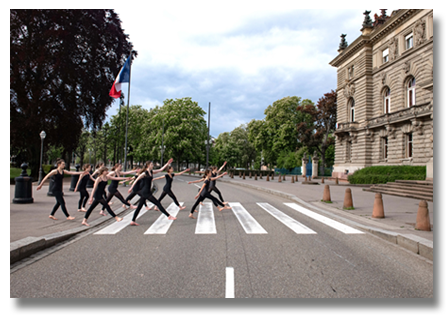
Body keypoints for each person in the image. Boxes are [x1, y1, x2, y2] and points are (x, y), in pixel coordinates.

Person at [129, 159, 177, 226]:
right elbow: (136, 180)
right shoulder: (144, 173)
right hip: (146, 192)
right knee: (157, 203)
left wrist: (167, 163)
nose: (152, 165)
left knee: (139, 206)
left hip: (145, 192)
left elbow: (160, 169)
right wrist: (131, 188)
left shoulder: (151, 172)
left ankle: (133, 221)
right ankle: (169, 216)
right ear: (148, 165)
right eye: (151, 164)